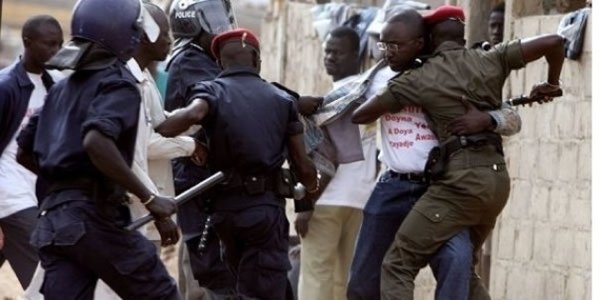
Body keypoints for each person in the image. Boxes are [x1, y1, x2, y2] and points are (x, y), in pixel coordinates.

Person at [352, 5, 565, 300]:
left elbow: (360, 115)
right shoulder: (489, 59)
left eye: (397, 44)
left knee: (400, 264)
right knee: (460, 270)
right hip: (489, 182)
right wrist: (553, 84)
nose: (389, 50)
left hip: (452, 186)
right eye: (386, 44)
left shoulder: (419, 77)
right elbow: (555, 42)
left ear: (424, 41)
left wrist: (487, 118)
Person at [16, 0, 181, 298]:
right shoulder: (119, 83)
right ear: (125, 33)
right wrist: (150, 198)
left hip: (54, 225)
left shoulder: (61, 89)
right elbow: (96, 141)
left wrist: (65, 182)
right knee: (160, 292)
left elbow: (24, 151)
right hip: (95, 218)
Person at [156, 28, 320, 300]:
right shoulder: (281, 99)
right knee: (264, 288)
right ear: (257, 60)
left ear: (220, 63)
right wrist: (312, 184)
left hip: (223, 213)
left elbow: (193, 113)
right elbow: (302, 164)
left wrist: (158, 128)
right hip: (265, 213)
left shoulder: (210, 91)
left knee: (240, 285)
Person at [294, 26, 377, 300]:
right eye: (327, 51)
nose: (330, 57)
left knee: (317, 275)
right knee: (344, 279)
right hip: (360, 198)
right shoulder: (370, 95)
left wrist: (307, 204)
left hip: (328, 199)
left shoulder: (340, 97)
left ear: (356, 55)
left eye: (337, 52)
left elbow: (331, 156)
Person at [165, 1, 237, 297]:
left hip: (203, 173)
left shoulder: (203, 57)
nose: (223, 27)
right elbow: (217, 110)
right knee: (206, 263)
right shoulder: (191, 60)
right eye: (214, 20)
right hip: (198, 172)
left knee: (201, 254)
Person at [0, 14, 63, 292]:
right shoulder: (6, 87)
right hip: (10, 196)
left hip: (36, 194)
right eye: (49, 44)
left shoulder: (54, 84)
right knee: (43, 283)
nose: (55, 51)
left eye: (59, 44)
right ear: (27, 42)